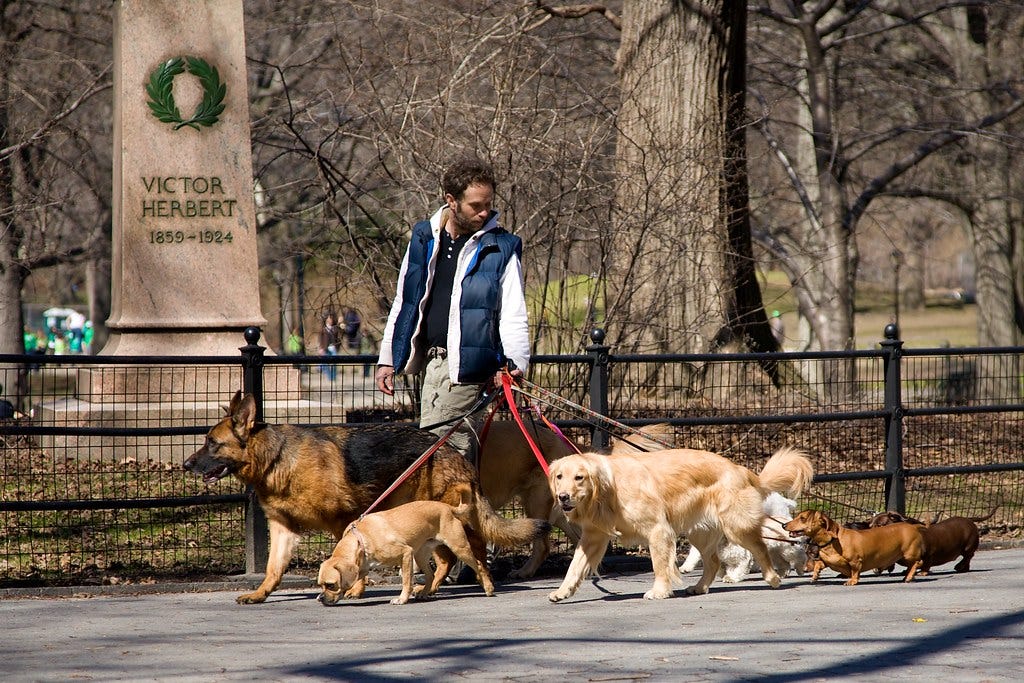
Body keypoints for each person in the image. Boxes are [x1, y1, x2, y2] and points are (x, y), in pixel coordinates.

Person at [375, 156, 530, 463]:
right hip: (431, 364)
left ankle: (456, 511)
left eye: (488, 204)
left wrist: (516, 361)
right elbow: (404, 302)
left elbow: (514, 312)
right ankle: (459, 511)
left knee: (446, 458)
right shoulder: (423, 237)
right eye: (476, 205)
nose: (484, 212)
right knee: (437, 457)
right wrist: (388, 358)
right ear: (451, 200)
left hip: (467, 369)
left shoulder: (501, 247)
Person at [317, 311, 342, 382]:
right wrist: (320, 348)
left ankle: (333, 377)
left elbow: (339, 336)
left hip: (333, 347)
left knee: (334, 363)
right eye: (329, 319)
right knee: (326, 363)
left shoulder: (335, 328)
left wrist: (340, 323)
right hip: (326, 348)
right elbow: (320, 339)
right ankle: (329, 377)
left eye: (331, 319)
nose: (330, 320)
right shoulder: (323, 329)